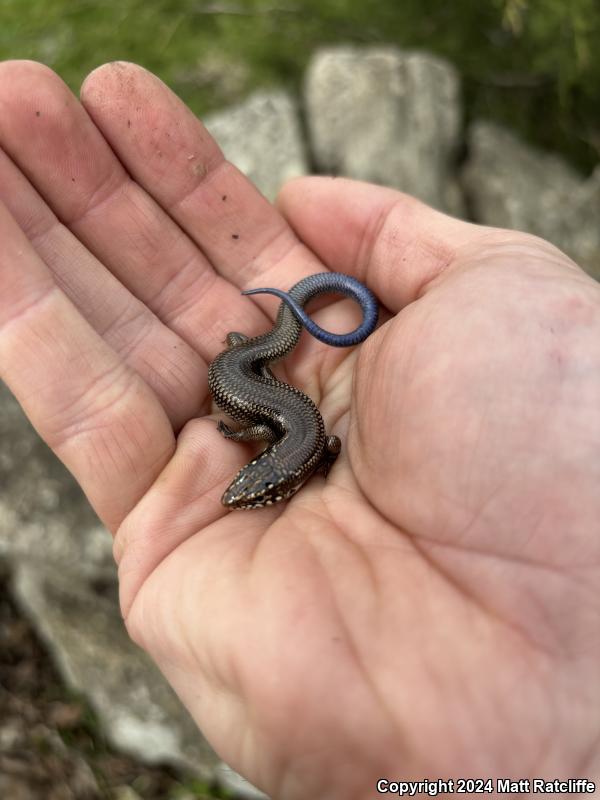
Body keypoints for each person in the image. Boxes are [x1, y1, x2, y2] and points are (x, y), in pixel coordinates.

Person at [0, 59, 598, 799]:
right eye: (252, 493)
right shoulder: (295, 445)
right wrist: (261, 426)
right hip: (252, 377)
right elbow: (304, 444)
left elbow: (296, 446)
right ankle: (299, 315)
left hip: (255, 380)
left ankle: (296, 316)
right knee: (263, 367)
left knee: (264, 368)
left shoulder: (293, 452)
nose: (244, 494)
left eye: (252, 493)